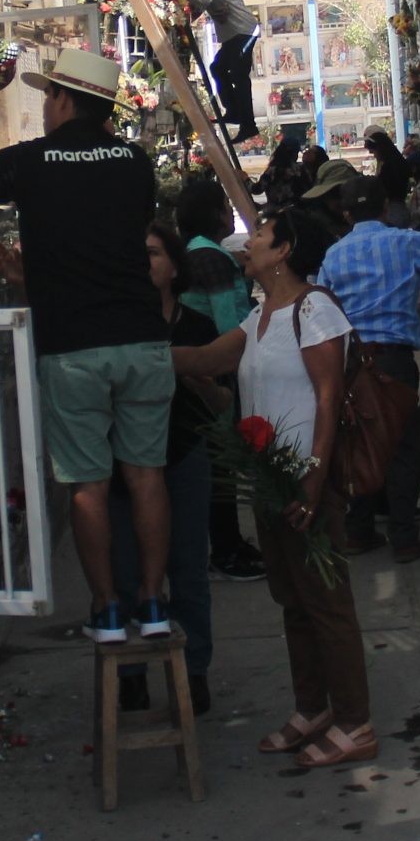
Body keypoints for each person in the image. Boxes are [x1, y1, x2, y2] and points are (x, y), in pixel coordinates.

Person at [0, 47, 173, 644]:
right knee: (146, 477)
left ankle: (106, 610)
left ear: (62, 98)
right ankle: (154, 606)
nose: (44, 107)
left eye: (47, 95)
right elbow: (106, 250)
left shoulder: (27, 163)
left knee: (88, 486)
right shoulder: (134, 162)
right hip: (140, 341)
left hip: (72, 347)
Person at [175, 207, 375, 768]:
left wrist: (313, 479)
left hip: (307, 479)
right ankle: (313, 708)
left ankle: (355, 720)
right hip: (269, 478)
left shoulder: (313, 310)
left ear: (284, 251)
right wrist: (137, 355)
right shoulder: (261, 313)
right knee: (292, 600)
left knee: (327, 603)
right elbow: (207, 359)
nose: (248, 244)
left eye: (260, 236)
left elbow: (328, 399)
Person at [320, 179, 420, 562]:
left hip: (351, 363)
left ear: (345, 214)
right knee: (402, 445)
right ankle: (403, 536)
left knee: (360, 441)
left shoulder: (334, 256)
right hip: (393, 361)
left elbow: (321, 303)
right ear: (384, 209)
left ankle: (358, 531)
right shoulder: (404, 243)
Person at [113, 221, 226, 714]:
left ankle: (193, 671)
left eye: (154, 253)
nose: (145, 262)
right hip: (124, 463)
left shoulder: (197, 328)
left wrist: (195, 374)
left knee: (187, 569)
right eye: (139, 254)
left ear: (174, 267)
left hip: (182, 457)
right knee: (126, 570)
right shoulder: (115, 328)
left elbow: (223, 401)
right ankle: (131, 675)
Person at [174, 177, 265, 582]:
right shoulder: (210, 258)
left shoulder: (192, 254)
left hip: (198, 369)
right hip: (214, 373)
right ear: (212, 214)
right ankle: (227, 550)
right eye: (225, 207)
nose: (231, 214)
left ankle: (229, 544)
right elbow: (232, 322)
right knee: (222, 466)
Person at [174, 0, 260, 141]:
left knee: (239, 78)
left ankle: (248, 124)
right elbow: (206, 0)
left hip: (241, 31)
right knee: (218, 68)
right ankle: (235, 112)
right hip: (235, 33)